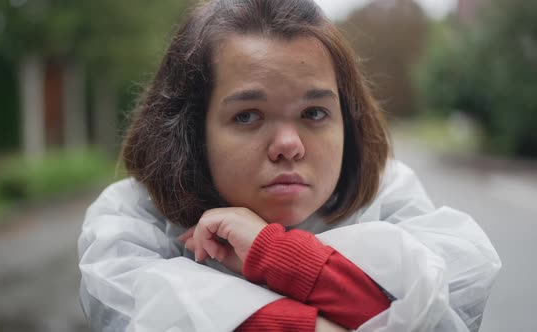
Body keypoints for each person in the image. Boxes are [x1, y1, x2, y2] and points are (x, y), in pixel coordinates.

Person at [77, 0, 501, 331]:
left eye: (314, 113)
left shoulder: (391, 199)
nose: (289, 146)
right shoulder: (132, 225)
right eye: (248, 116)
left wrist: (273, 253)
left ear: (346, 122)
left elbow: (434, 316)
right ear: (191, 128)